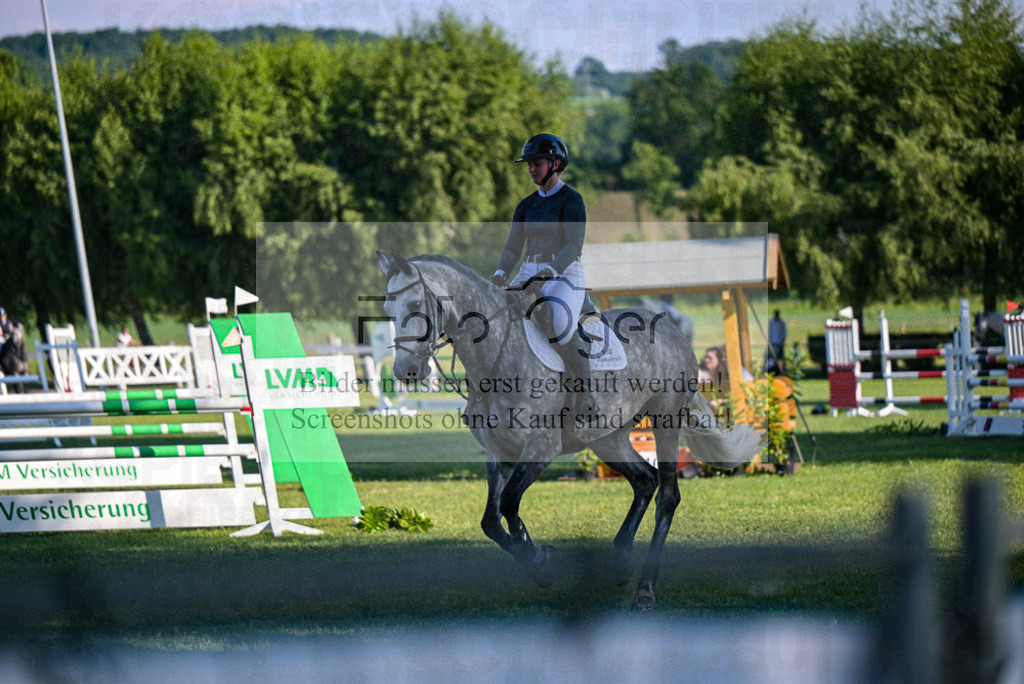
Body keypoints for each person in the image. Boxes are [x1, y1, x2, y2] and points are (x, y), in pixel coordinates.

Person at [491, 133, 596, 414]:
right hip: (529, 269)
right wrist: (501, 272)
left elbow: (574, 246)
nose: (531, 169)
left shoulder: (572, 200)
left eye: (537, 163)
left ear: (556, 163)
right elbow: (513, 247)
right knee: (499, 316)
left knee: (560, 325)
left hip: (564, 272)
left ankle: (585, 392)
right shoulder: (526, 205)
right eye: (529, 164)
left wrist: (551, 270)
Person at [765, 309, 787, 374]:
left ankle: (782, 370)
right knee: (771, 357)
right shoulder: (771, 322)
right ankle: (771, 369)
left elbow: (784, 333)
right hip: (773, 342)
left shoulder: (782, 323)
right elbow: (769, 332)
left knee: (781, 357)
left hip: (779, 342)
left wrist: (783, 341)